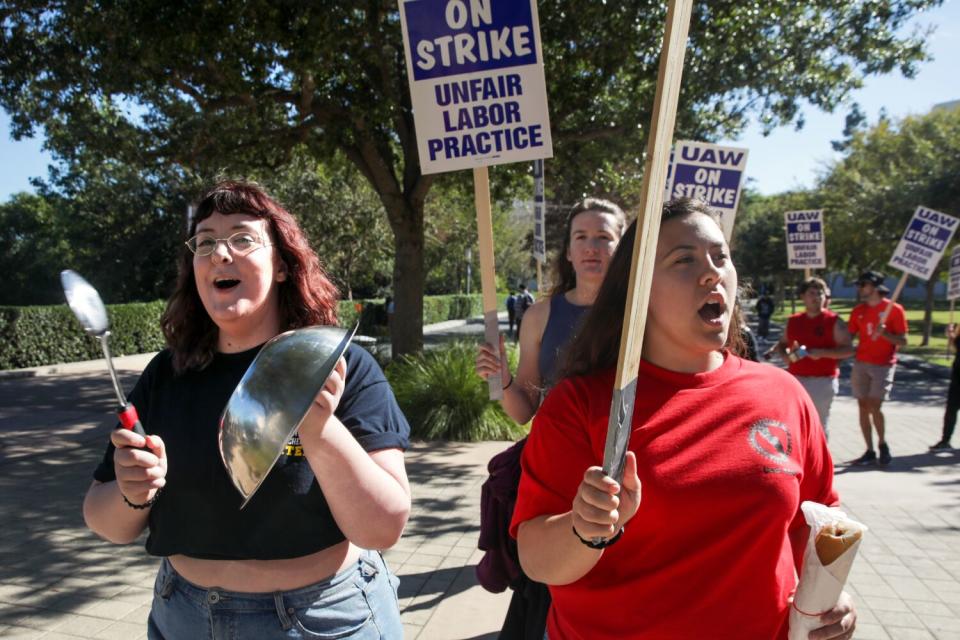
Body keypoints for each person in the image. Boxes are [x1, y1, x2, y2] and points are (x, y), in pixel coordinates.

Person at [510, 198, 856, 640]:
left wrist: (830, 598)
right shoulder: (580, 405)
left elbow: (822, 519)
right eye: (684, 260)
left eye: (721, 257)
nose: (712, 272)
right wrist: (586, 528)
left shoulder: (784, 393)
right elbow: (536, 560)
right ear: (637, 291)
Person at [82, 180, 411, 639]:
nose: (220, 253)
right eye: (206, 242)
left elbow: (383, 527)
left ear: (281, 264)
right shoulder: (166, 374)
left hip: (320, 620)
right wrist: (132, 491)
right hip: (183, 616)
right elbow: (106, 522)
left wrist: (317, 428)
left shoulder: (339, 363)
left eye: (242, 238)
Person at [475, 198, 627, 639]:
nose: (592, 246)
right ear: (567, 249)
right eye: (582, 237)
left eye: (604, 237)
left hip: (624, 477)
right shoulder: (542, 314)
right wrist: (503, 379)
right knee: (550, 592)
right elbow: (524, 409)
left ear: (622, 247)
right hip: (554, 478)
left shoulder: (643, 312)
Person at [764, 277, 854, 438]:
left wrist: (822, 353)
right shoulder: (794, 321)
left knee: (818, 424)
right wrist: (786, 357)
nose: (816, 297)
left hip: (822, 381)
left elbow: (848, 350)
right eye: (811, 293)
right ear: (803, 297)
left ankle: (820, 461)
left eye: (820, 293)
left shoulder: (833, 321)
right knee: (794, 423)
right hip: (796, 379)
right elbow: (783, 343)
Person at [847, 270, 908, 466]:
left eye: (862, 285)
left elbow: (903, 340)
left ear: (873, 286)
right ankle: (869, 450)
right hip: (861, 363)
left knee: (875, 404)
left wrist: (885, 335)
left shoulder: (894, 309)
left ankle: (883, 443)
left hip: (883, 365)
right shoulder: (858, 311)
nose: (859, 289)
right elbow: (848, 336)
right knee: (863, 406)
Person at [931, 323, 960, 450]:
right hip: (958, 374)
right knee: (951, 408)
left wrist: (952, 336)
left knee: (951, 408)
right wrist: (951, 336)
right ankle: (945, 440)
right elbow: (956, 346)